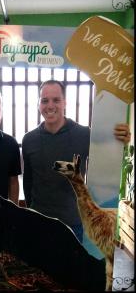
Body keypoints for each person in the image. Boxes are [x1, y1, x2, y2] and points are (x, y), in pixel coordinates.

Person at [22, 79, 131, 242]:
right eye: (44, 100)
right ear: (39, 104)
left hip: (73, 223)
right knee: (39, 268)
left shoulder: (84, 135)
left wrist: (123, 140)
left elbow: (107, 160)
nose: (50, 105)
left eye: (56, 100)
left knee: (71, 268)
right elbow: (28, 182)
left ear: (65, 102)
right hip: (38, 221)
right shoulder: (29, 140)